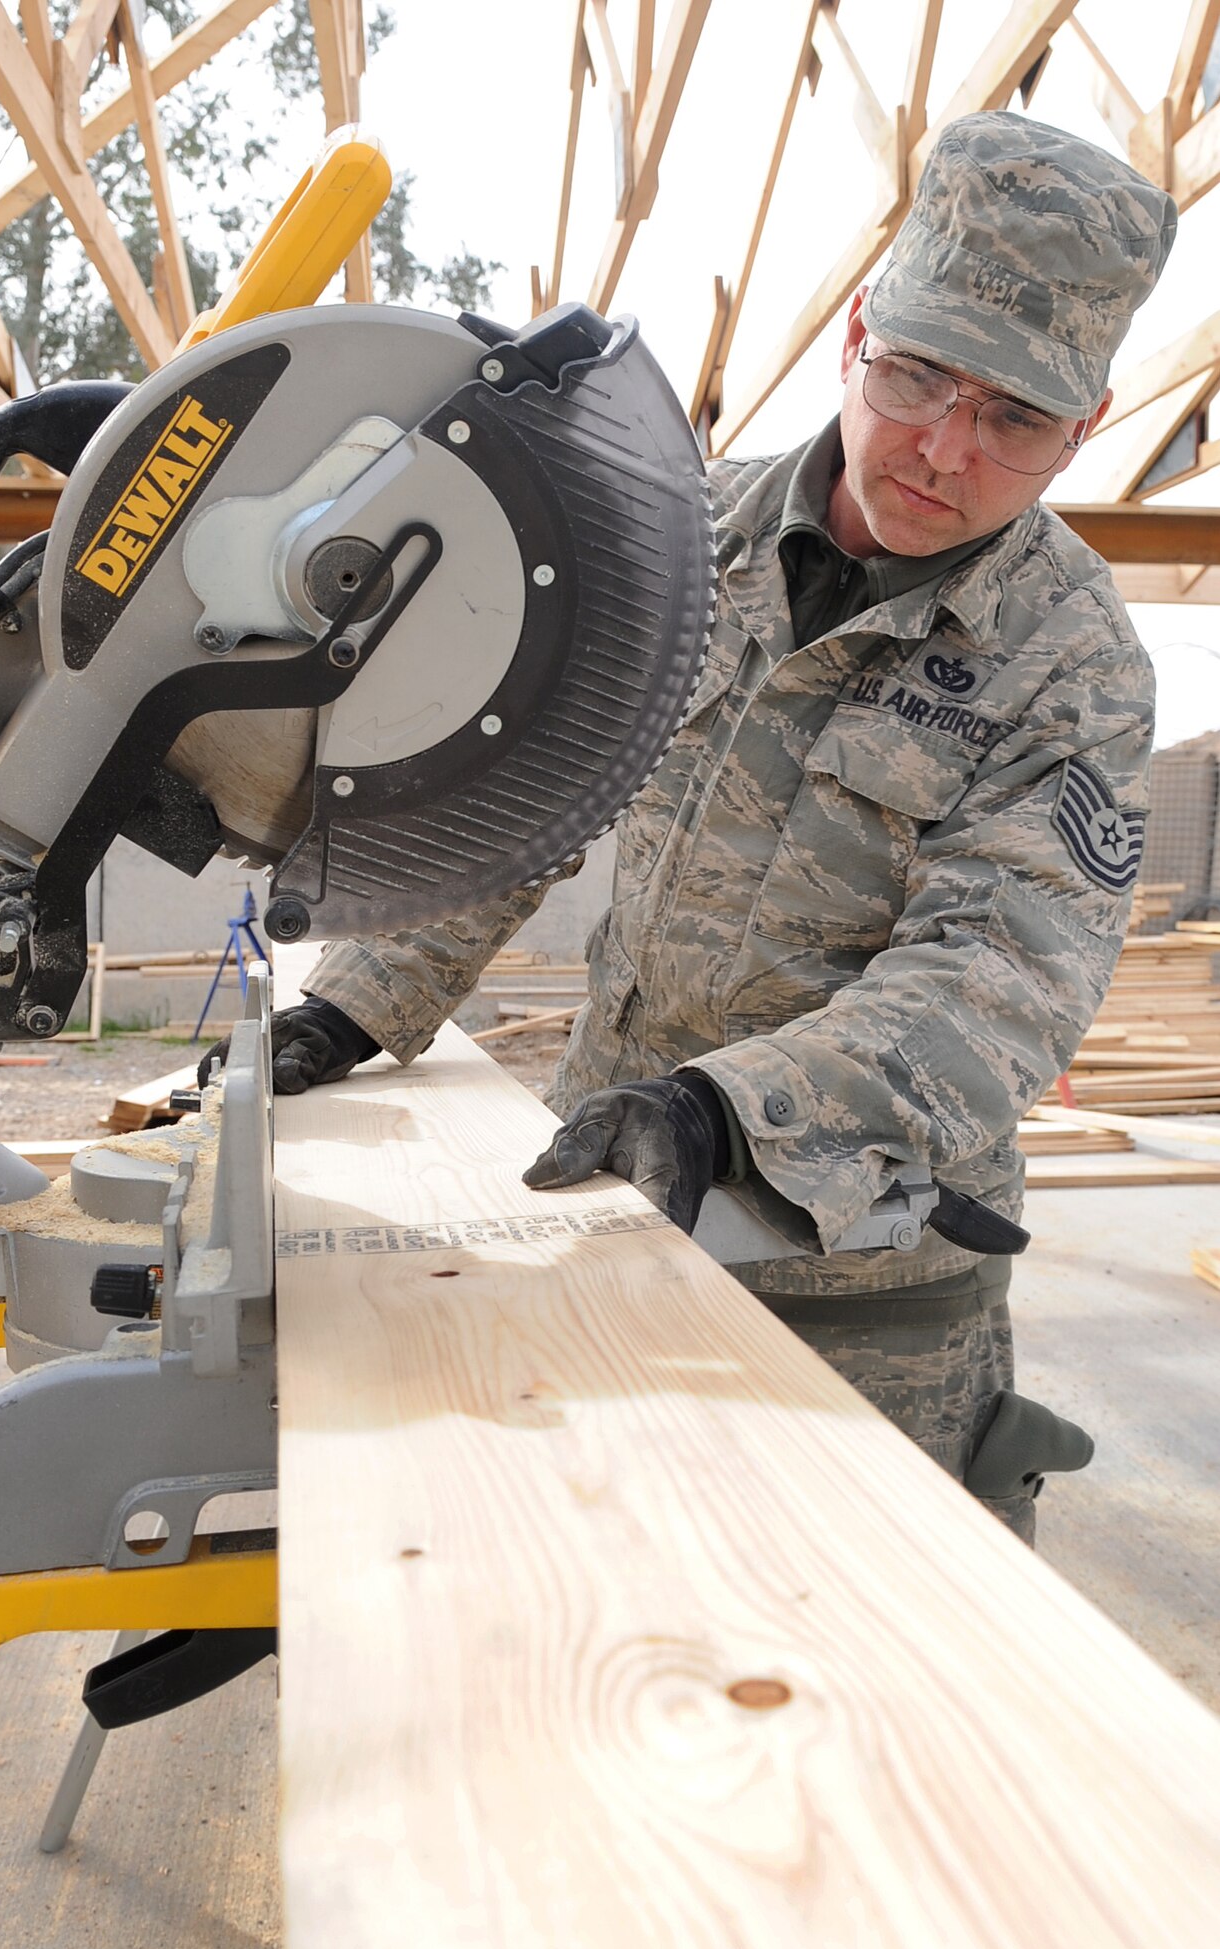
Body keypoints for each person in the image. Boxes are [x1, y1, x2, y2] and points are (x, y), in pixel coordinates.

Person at [205, 113, 1176, 1545]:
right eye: (917, 377)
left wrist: (724, 1112)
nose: (939, 450)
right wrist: (352, 1009)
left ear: (1082, 427)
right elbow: (526, 782)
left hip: (867, 1294)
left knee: (879, 1674)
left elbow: (996, 985)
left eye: (1013, 420)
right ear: (858, 331)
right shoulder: (676, 542)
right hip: (604, 1200)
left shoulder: (1073, 662)